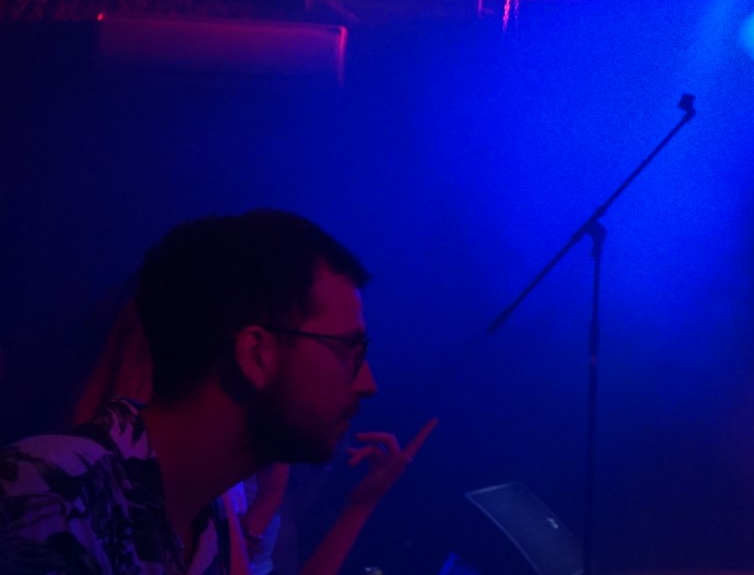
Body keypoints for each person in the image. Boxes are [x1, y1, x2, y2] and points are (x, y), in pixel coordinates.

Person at [0, 210, 436, 575]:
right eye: (348, 350)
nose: (368, 383)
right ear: (256, 355)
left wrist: (361, 504)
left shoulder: (212, 527)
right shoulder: (51, 500)